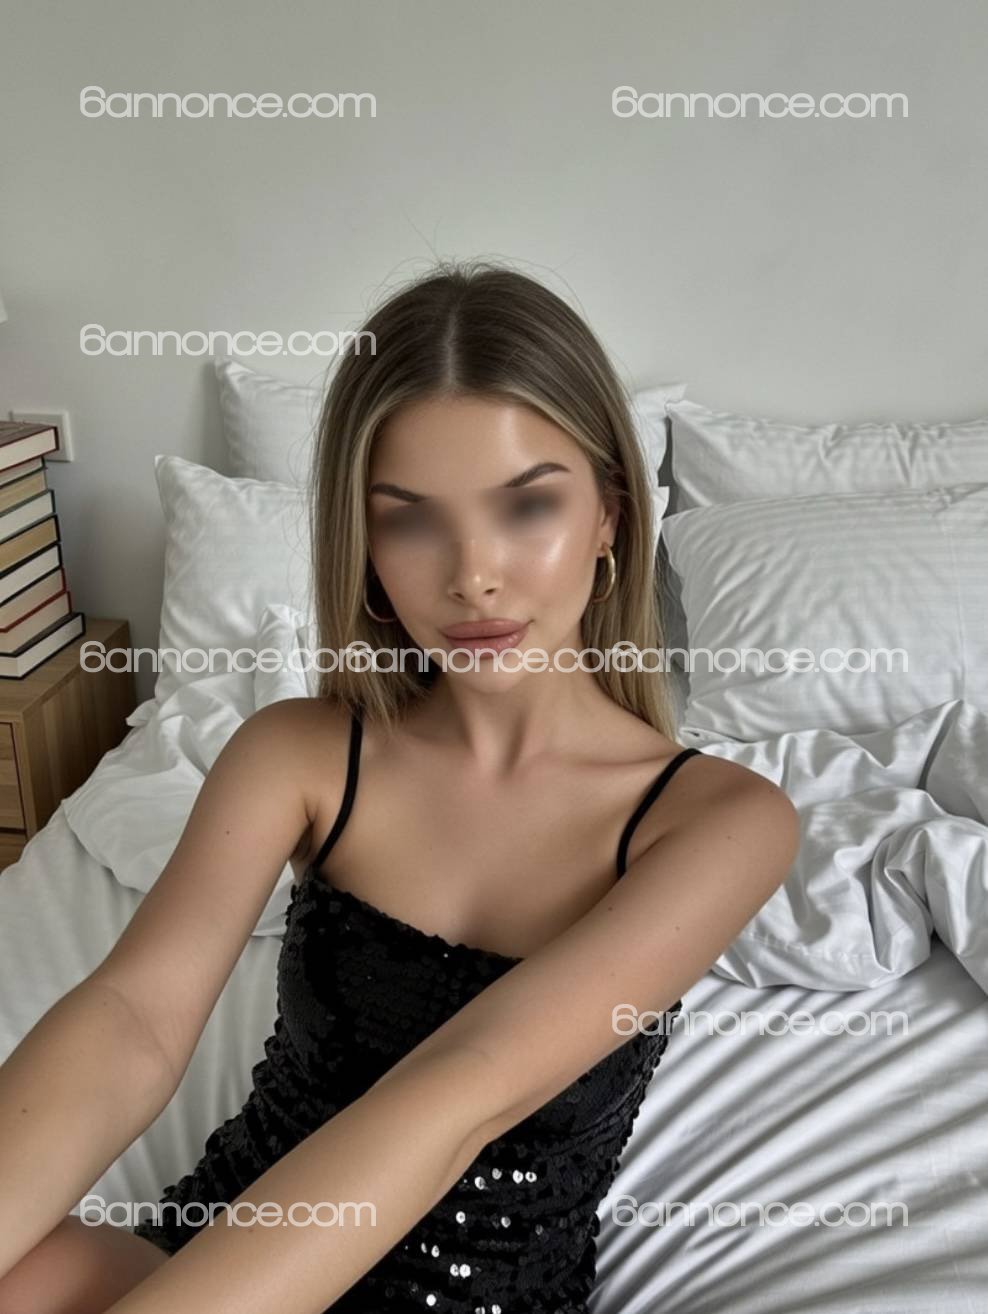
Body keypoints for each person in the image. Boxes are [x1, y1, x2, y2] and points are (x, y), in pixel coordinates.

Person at [0, 259, 800, 1313]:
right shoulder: (298, 753)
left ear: (610, 514)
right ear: (364, 542)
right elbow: (133, 1018)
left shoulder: (721, 822)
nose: (473, 575)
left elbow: (463, 1092)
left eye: (528, 506)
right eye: (412, 520)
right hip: (228, 1247)